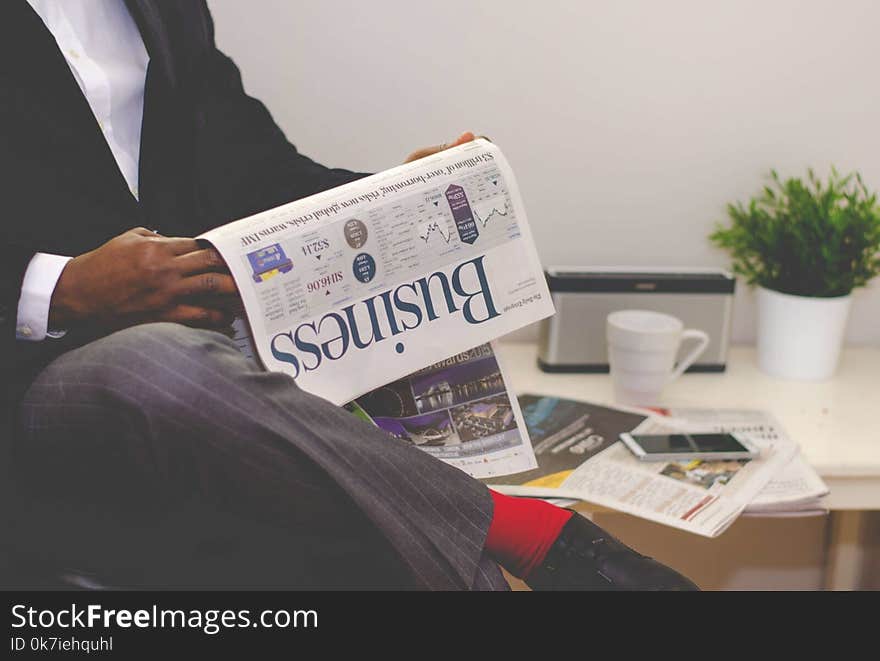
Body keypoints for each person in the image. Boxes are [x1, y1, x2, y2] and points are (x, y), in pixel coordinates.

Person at [1, 0, 698, 591]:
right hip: (41, 381)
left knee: (386, 534)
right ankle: (546, 538)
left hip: (221, 377)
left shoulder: (164, 9)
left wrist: (397, 197)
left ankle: (526, 546)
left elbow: (257, 176)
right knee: (156, 364)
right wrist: (60, 290)